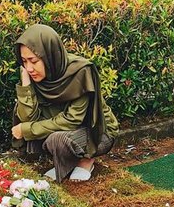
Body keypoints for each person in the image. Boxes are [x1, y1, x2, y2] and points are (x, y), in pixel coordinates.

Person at [11, 25, 119, 183]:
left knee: (54, 139)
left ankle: (86, 160)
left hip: (97, 132)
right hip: (66, 132)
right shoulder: (36, 75)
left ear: (49, 56)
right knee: (32, 125)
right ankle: (66, 162)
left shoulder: (80, 72)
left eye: (33, 61)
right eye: (24, 61)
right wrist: (26, 85)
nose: (29, 68)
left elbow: (72, 119)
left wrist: (27, 129)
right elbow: (28, 117)